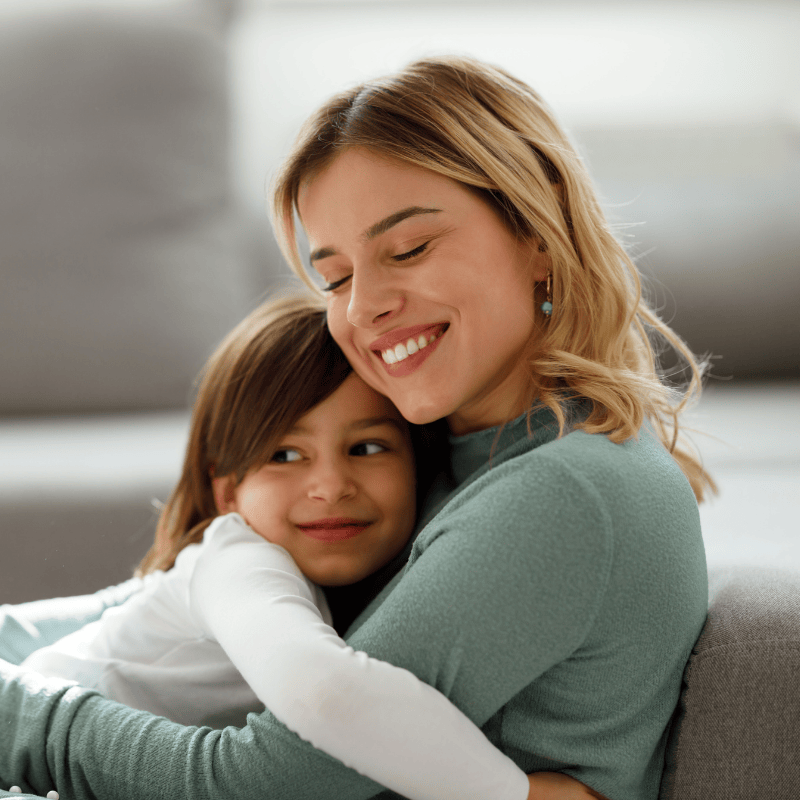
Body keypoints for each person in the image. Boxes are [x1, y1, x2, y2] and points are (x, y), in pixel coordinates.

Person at [0, 55, 711, 800]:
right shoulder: (453, 457)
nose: (364, 305)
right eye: (335, 277)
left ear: (539, 232)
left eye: (409, 249)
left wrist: (22, 722)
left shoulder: (562, 495)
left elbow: (265, 784)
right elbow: (145, 607)